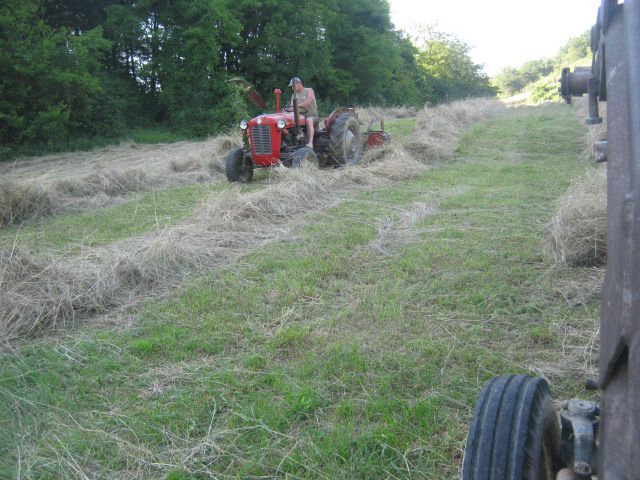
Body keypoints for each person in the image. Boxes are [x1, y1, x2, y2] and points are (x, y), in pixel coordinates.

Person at [288, 77, 318, 149]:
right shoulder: (293, 96)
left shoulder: (309, 90)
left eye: (293, 86)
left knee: (309, 120)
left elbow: (309, 99)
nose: (292, 88)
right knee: (288, 122)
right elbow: (291, 106)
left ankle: (310, 143)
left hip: (312, 116)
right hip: (299, 117)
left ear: (299, 84)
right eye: (291, 86)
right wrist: (287, 109)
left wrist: (298, 105)